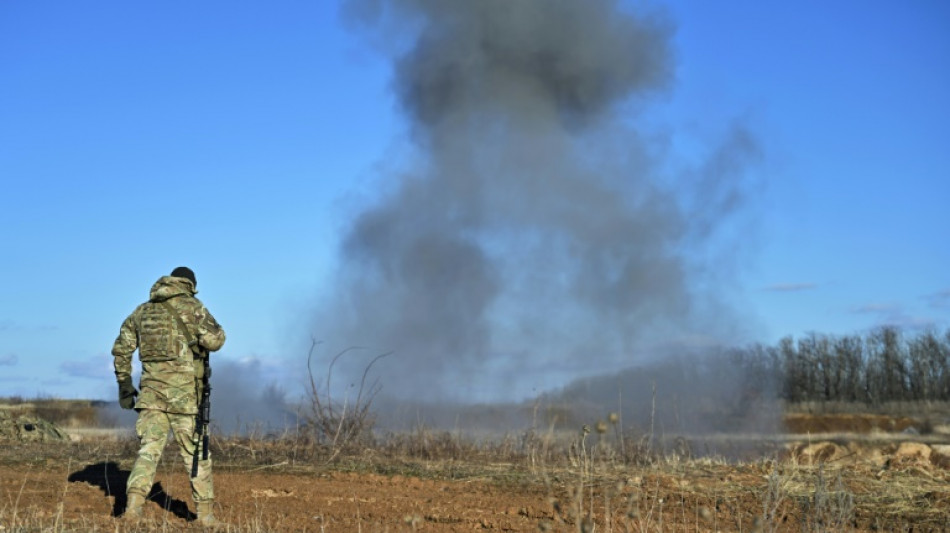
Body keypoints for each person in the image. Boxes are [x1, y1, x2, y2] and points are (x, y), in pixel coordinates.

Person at [112, 266, 226, 526]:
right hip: (184, 398)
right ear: (190, 285)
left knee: (148, 452)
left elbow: (121, 349)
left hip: (151, 397)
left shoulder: (142, 311)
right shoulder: (194, 307)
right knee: (196, 454)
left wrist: (124, 385)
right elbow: (216, 341)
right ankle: (206, 517)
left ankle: (132, 510)